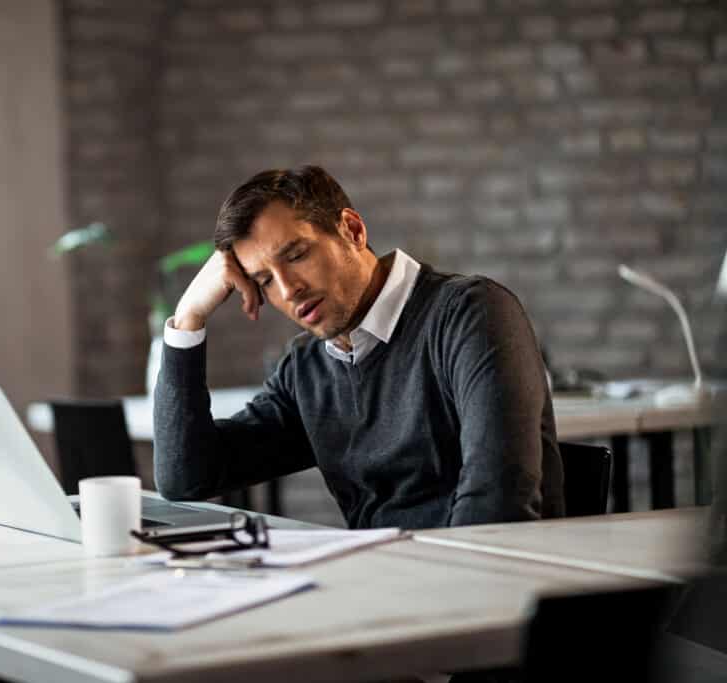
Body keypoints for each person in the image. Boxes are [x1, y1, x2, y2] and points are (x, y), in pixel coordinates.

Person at [154, 165, 564, 529]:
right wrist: (188, 319)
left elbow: (495, 506)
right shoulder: (308, 368)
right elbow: (186, 477)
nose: (286, 289)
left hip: (486, 591)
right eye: (262, 281)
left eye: (296, 255)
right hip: (380, 588)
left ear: (352, 230)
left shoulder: (471, 313)